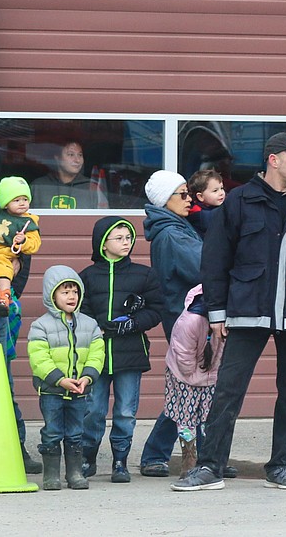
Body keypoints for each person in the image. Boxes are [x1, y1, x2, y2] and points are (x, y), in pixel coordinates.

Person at [173, 132, 286, 492]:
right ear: (274, 159)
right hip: (245, 312)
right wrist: (216, 313)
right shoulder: (238, 203)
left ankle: (280, 466)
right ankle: (210, 467)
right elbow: (215, 260)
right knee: (228, 392)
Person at [0, 142, 42, 476]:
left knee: (2, 377)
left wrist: (9, 289)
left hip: (3, 305)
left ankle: (16, 445)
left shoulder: (13, 216)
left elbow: (22, 259)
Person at [78, 216, 163, 483]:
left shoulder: (144, 274)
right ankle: (87, 457)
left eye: (128, 237)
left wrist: (134, 323)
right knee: (94, 410)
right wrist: (98, 327)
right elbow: (79, 309)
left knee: (126, 411)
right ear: (103, 244)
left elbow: (157, 309)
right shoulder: (88, 276)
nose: (126, 242)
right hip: (96, 356)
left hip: (131, 353)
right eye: (119, 238)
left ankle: (120, 461)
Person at [137, 169, 208, 478]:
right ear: (165, 200)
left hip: (186, 315)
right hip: (186, 319)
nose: (188, 198)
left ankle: (181, 453)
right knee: (190, 386)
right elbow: (202, 266)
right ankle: (160, 453)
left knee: (189, 386)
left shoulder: (177, 226)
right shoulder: (171, 233)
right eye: (182, 194)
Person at [27, 265, 104, 491]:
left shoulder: (90, 325)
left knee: (75, 432)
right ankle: (51, 475)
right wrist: (60, 379)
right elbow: (39, 358)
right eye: (65, 291)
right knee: (52, 431)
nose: (71, 296)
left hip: (80, 391)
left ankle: (75, 472)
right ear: (52, 295)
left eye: (75, 291)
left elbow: (97, 354)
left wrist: (87, 378)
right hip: (52, 391)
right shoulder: (40, 326)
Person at [164, 284, 223, 478]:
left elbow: (223, 351)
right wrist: (193, 377)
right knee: (186, 416)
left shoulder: (224, 322)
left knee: (209, 416)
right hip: (184, 376)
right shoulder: (189, 321)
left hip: (210, 375)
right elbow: (183, 354)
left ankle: (209, 458)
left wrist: (212, 374)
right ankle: (188, 458)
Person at [0, 176, 41, 315]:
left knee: (2, 269)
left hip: (5, 254)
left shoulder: (28, 222)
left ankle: (4, 296)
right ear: (5, 203)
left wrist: (23, 241)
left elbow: (35, 244)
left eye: (25, 199)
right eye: (16, 200)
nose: (22, 203)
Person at [30, 141, 106, 210]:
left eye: (80, 155)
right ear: (57, 158)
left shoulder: (91, 187)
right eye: (71, 154)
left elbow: (104, 218)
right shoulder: (38, 186)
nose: (77, 160)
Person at [186, 168, 226, 237]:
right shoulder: (196, 212)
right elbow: (212, 218)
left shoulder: (218, 203)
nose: (221, 193)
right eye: (215, 190)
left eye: (221, 188)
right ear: (200, 197)